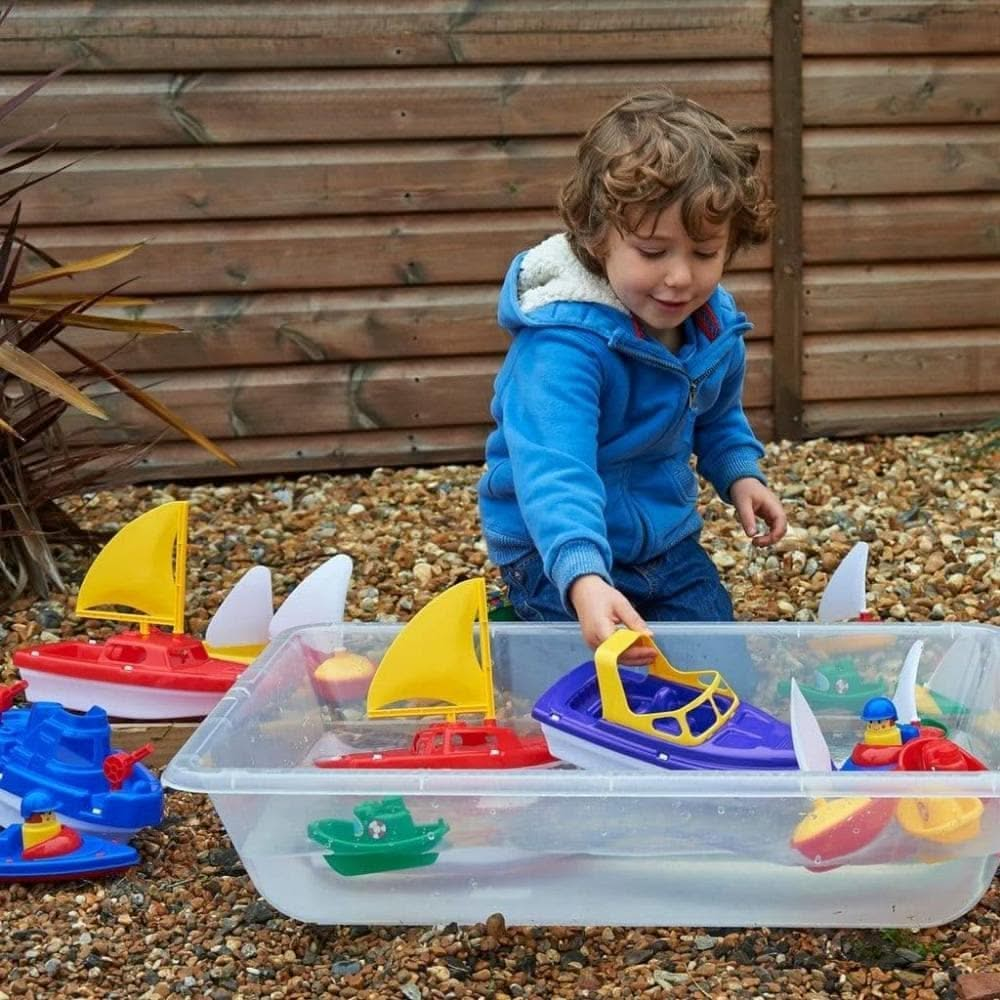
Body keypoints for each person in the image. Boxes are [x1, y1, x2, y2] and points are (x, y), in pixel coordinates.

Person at [478, 90, 787, 679]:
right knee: (586, 698)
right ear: (598, 240)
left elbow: (717, 417)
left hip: (663, 543)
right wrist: (583, 577)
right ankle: (523, 628)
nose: (679, 277)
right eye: (652, 251)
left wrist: (741, 472)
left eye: (704, 252)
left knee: (725, 683)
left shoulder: (712, 325)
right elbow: (554, 471)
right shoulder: (560, 348)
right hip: (553, 550)